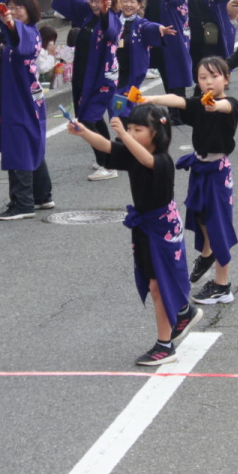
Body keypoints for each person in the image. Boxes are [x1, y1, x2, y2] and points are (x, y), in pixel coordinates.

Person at [68, 104, 202, 366]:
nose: (129, 132)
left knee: (158, 286)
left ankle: (165, 346)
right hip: (144, 226)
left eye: (137, 129)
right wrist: (83, 132)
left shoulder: (162, 161)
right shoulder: (132, 154)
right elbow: (107, 147)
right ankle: (184, 312)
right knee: (154, 281)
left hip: (161, 229)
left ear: (157, 132)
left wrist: (125, 136)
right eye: (129, 128)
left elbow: (146, 160)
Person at [141, 57, 238, 304]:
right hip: (199, 168)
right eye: (202, 77)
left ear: (226, 79)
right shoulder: (198, 104)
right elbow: (179, 100)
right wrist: (150, 99)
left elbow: (226, 106)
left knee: (217, 227)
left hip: (217, 171)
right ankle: (207, 254)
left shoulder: (229, 104)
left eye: (214, 76)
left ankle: (222, 285)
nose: (208, 81)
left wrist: (215, 106)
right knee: (198, 215)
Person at [0, 0, 54, 221]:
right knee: (30, 141)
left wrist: (11, 23)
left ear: (30, 9)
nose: (13, 11)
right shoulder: (10, 29)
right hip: (17, 94)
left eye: (19, 7)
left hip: (20, 97)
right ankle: (42, 195)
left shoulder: (29, 32)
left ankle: (23, 203)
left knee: (19, 143)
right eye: (11, 7)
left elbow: (19, 39)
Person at [51, 0, 120, 181]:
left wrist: (106, 9)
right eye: (92, 0)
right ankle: (106, 157)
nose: (94, 5)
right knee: (92, 118)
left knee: (88, 119)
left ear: (109, 1)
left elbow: (110, 32)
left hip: (101, 78)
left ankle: (108, 163)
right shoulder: (88, 14)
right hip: (83, 75)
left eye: (100, 1)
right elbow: (70, 1)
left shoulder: (113, 19)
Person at [132, 0, 193, 120]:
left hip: (173, 38)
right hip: (159, 36)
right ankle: (174, 111)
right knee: (166, 73)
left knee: (176, 75)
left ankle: (179, 112)